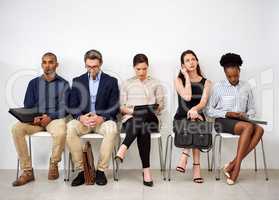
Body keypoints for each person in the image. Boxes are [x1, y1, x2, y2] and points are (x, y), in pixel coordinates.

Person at [11, 52, 70, 186]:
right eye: (44, 62)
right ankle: (27, 171)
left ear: (56, 65)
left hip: (54, 119)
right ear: (41, 64)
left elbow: (66, 108)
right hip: (35, 120)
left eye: (51, 62)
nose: (47, 65)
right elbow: (28, 105)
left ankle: (54, 163)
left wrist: (50, 117)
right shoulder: (33, 83)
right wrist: (34, 118)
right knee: (16, 129)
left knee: (61, 131)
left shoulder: (64, 84)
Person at [207, 53, 264, 185]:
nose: (233, 79)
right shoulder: (218, 87)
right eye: (229, 76)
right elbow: (209, 110)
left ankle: (232, 164)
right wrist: (228, 113)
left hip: (242, 121)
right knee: (249, 128)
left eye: (236, 75)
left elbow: (252, 108)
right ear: (224, 73)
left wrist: (247, 115)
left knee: (259, 130)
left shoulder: (246, 86)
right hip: (223, 121)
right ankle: (237, 168)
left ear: (239, 70)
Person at [66, 49, 119, 186]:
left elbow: (114, 106)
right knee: (70, 127)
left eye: (95, 66)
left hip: (101, 120)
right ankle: (82, 171)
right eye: (88, 66)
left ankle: (101, 171)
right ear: (85, 64)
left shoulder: (111, 81)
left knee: (112, 128)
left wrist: (102, 118)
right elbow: (72, 105)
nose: (92, 69)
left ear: (100, 64)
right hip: (84, 120)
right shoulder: (77, 80)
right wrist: (80, 118)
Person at [115, 54, 164, 187]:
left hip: (151, 118)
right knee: (142, 127)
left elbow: (160, 106)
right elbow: (122, 108)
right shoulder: (127, 83)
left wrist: (147, 110)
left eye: (144, 69)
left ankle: (124, 147)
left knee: (144, 118)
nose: (141, 72)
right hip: (131, 119)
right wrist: (135, 112)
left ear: (147, 67)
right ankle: (146, 172)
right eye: (138, 69)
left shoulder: (156, 83)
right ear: (134, 68)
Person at [174, 50, 211, 183]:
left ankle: (184, 155)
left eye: (193, 59)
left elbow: (203, 103)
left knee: (195, 121)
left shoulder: (207, 82)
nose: (191, 62)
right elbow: (187, 96)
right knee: (194, 124)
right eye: (187, 60)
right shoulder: (178, 80)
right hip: (181, 119)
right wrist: (187, 77)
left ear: (197, 61)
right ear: (183, 65)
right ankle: (196, 169)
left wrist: (194, 109)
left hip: (198, 117)